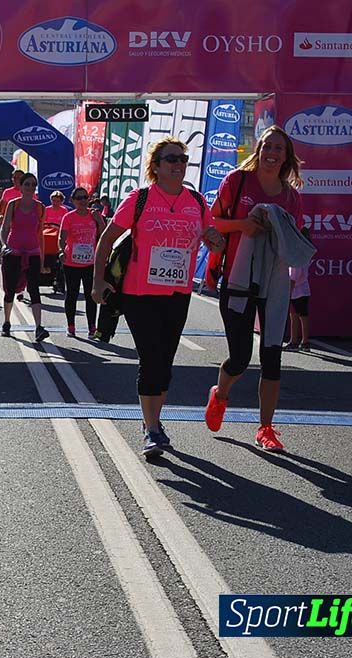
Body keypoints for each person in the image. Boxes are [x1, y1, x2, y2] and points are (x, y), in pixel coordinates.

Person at [92, 138, 224, 459]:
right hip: (139, 294)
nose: (178, 164)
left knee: (164, 362)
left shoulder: (195, 201)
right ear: (156, 167)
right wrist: (98, 281)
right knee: (151, 357)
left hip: (177, 293)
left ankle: (154, 422)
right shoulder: (139, 200)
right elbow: (108, 239)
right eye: (171, 159)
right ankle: (151, 428)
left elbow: (212, 237)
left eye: (182, 159)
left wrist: (216, 239)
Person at [203, 126, 306, 452]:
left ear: (286, 156)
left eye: (279, 148)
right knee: (240, 357)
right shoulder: (237, 181)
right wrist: (243, 225)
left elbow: (296, 239)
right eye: (267, 146)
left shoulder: (291, 196)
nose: (272, 153)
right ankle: (220, 394)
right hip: (236, 279)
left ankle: (266, 428)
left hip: (274, 283)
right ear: (258, 150)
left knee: (272, 357)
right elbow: (211, 222)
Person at [0, 173, 49, 342]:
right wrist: (6, 246)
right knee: (10, 289)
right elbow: (4, 229)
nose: (30, 187)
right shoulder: (13, 204)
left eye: (33, 184)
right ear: (20, 187)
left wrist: (41, 257)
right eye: (27, 184)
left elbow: (40, 233)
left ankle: (38, 327)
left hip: (32, 252)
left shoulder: (40, 207)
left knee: (34, 289)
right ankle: (7, 322)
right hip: (13, 253)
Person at [60, 187, 106, 337]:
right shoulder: (68, 217)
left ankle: (92, 326)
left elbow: (104, 236)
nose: (82, 201)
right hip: (71, 262)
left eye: (85, 197)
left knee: (90, 295)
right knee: (71, 294)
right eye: (79, 198)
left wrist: (99, 220)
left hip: (90, 262)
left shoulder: (94, 216)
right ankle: (71, 325)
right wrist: (61, 251)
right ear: (73, 201)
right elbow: (62, 238)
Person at [286, 227, 311, 352]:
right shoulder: (303, 252)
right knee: (297, 315)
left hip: (298, 289)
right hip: (301, 289)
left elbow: (295, 274)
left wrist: (289, 290)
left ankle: (302, 341)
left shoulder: (299, 253)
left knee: (300, 316)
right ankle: (296, 340)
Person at [43, 191, 70, 294]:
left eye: (58, 201)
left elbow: (66, 225)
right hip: (47, 233)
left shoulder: (64, 211)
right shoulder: (47, 210)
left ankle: (59, 280)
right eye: (54, 201)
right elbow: (43, 222)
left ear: (61, 201)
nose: (55, 203)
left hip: (58, 235)